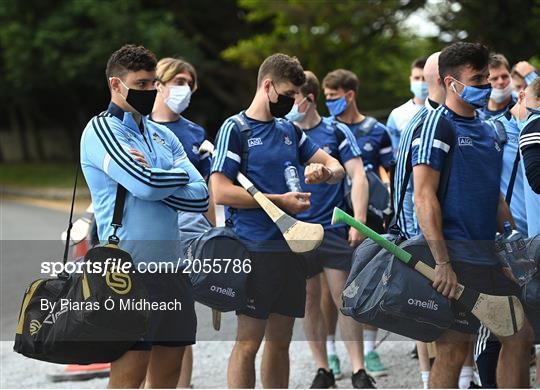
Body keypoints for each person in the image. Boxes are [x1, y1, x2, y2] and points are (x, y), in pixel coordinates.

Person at [210, 53, 345, 389]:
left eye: (294, 97)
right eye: (285, 96)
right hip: (254, 248)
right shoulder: (235, 128)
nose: (289, 103)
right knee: (248, 342)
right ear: (267, 86)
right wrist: (278, 202)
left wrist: (323, 171)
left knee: (281, 340)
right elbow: (220, 191)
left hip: (292, 249)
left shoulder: (288, 129)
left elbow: (338, 168)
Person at [80, 44, 208, 388]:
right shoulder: (101, 129)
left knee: (168, 377)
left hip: (172, 269)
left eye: (152, 83)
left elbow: (202, 196)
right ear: (116, 85)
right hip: (127, 272)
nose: (149, 91)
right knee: (129, 377)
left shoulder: (163, 135)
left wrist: (156, 174)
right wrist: (173, 175)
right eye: (140, 84)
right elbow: (146, 185)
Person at [411, 41, 533, 388]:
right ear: (452, 83)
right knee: (452, 349)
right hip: (455, 257)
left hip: (488, 255)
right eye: (477, 78)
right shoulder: (437, 125)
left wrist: (512, 248)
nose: (486, 85)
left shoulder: (489, 129)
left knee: (519, 337)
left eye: (487, 77)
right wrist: (442, 262)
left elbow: (493, 196)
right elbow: (423, 196)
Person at [286, 70, 375, 388]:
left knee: (344, 297)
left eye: (291, 96)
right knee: (309, 300)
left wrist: (360, 220)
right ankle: (323, 369)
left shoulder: (335, 131)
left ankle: (359, 369)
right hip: (297, 231)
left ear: (307, 99)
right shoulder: (282, 133)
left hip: (334, 227)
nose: (285, 102)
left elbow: (358, 175)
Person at [322, 68, 391, 375]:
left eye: (333, 97)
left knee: (369, 282)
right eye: (325, 97)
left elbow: (389, 170)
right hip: (334, 218)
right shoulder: (326, 130)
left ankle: (369, 349)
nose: (329, 103)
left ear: (349, 95)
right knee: (329, 292)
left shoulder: (377, 129)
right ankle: (330, 350)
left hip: (370, 218)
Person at [150, 57, 214, 388]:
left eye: (190, 82)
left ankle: (183, 384)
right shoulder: (137, 128)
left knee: (180, 317)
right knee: (148, 318)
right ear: (157, 83)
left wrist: (218, 232)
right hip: (149, 234)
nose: (184, 88)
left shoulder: (194, 133)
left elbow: (209, 189)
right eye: (177, 80)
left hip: (189, 236)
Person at [474, 78, 536, 389]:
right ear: (520, 95)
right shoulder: (493, 131)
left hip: (533, 244)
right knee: (499, 330)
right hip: (507, 244)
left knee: (524, 334)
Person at [391, 51, 446, 389]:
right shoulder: (415, 121)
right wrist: (411, 233)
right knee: (427, 313)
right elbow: (410, 186)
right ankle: (428, 379)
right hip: (421, 231)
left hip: (445, 233)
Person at [386, 57, 428, 152]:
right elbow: (393, 153)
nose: (421, 82)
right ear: (410, 80)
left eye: (425, 78)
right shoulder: (397, 114)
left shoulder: (445, 110)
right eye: (417, 78)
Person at [477, 53, 516, 121]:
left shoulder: (522, 107)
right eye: (494, 79)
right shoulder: (476, 114)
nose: (501, 82)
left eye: (504, 76)